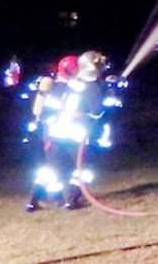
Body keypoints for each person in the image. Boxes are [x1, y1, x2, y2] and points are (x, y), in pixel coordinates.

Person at [42, 51, 108, 209]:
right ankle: (71, 200)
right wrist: (109, 95)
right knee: (85, 169)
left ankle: (54, 199)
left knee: (59, 169)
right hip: (75, 133)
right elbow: (97, 112)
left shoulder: (69, 84)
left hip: (56, 132)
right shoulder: (91, 86)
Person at [20, 54, 79, 212]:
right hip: (61, 134)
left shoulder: (59, 87)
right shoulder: (64, 89)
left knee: (52, 169)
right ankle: (70, 199)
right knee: (78, 167)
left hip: (53, 134)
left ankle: (36, 200)